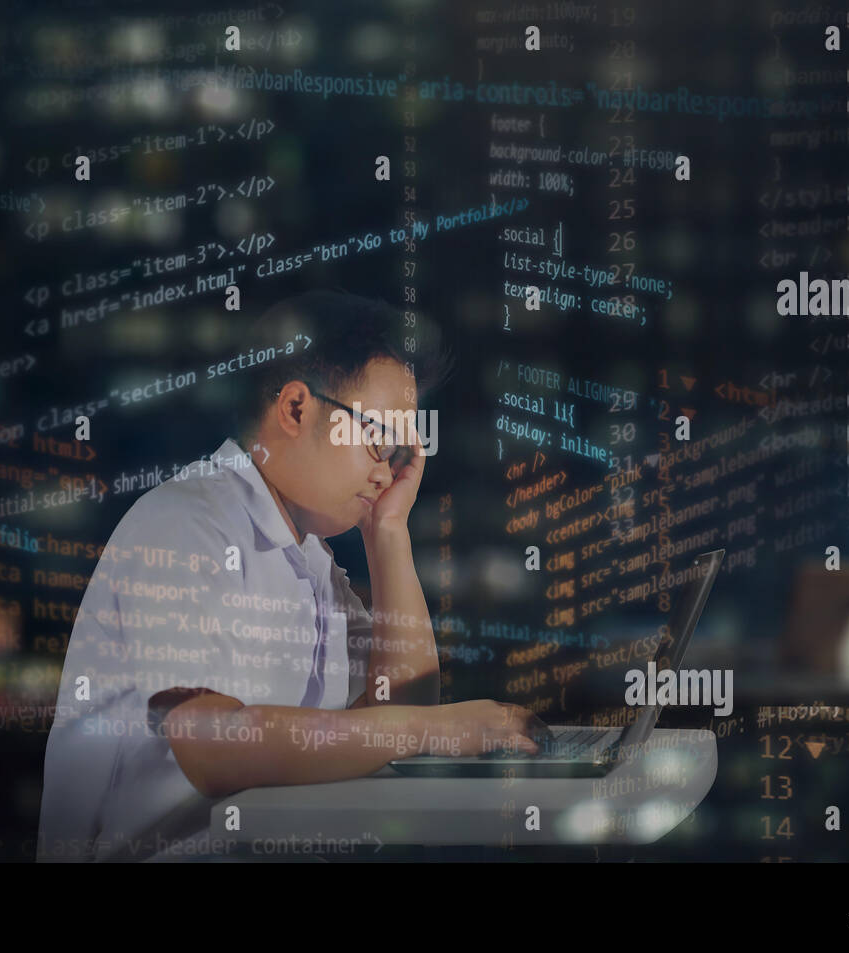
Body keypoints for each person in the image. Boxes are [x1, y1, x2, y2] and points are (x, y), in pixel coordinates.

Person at [37, 289, 550, 861]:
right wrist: (431, 732)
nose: (388, 470)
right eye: (379, 439)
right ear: (297, 409)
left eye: (401, 451)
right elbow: (213, 748)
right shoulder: (186, 521)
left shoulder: (308, 561)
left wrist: (388, 536)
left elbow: (397, 706)